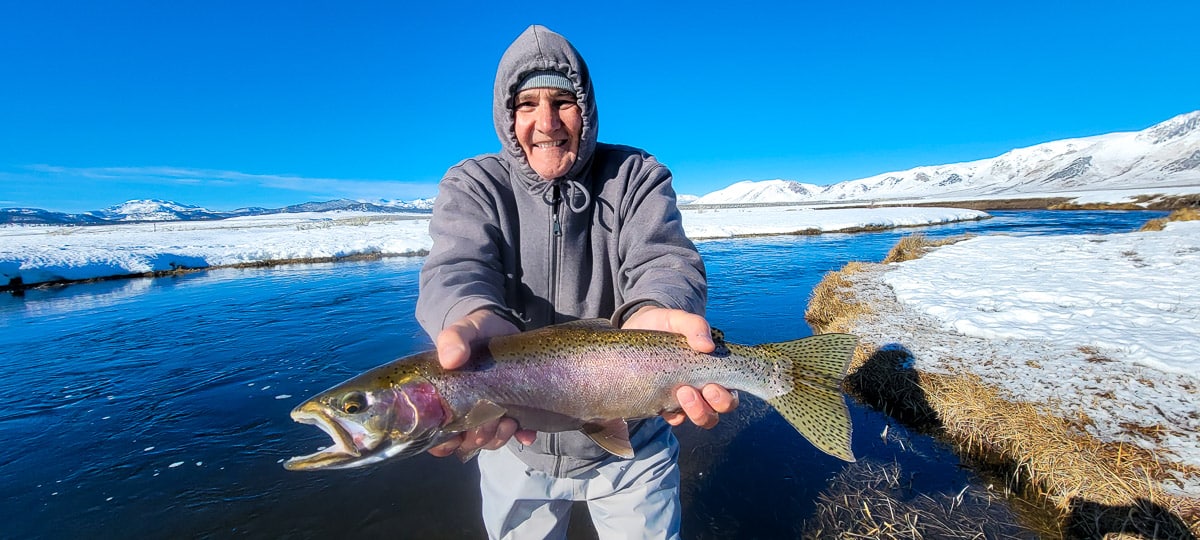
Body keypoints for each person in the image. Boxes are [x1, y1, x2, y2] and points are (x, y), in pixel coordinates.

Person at [415, 25, 738, 539]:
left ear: (586, 110)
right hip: (512, 443)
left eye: (563, 101)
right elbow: (457, 267)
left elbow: (664, 259)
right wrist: (471, 315)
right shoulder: (473, 185)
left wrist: (656, 312)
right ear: (506, 115)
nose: (547, 122)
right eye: (527, 105)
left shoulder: (635, 174)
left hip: (635, 438)